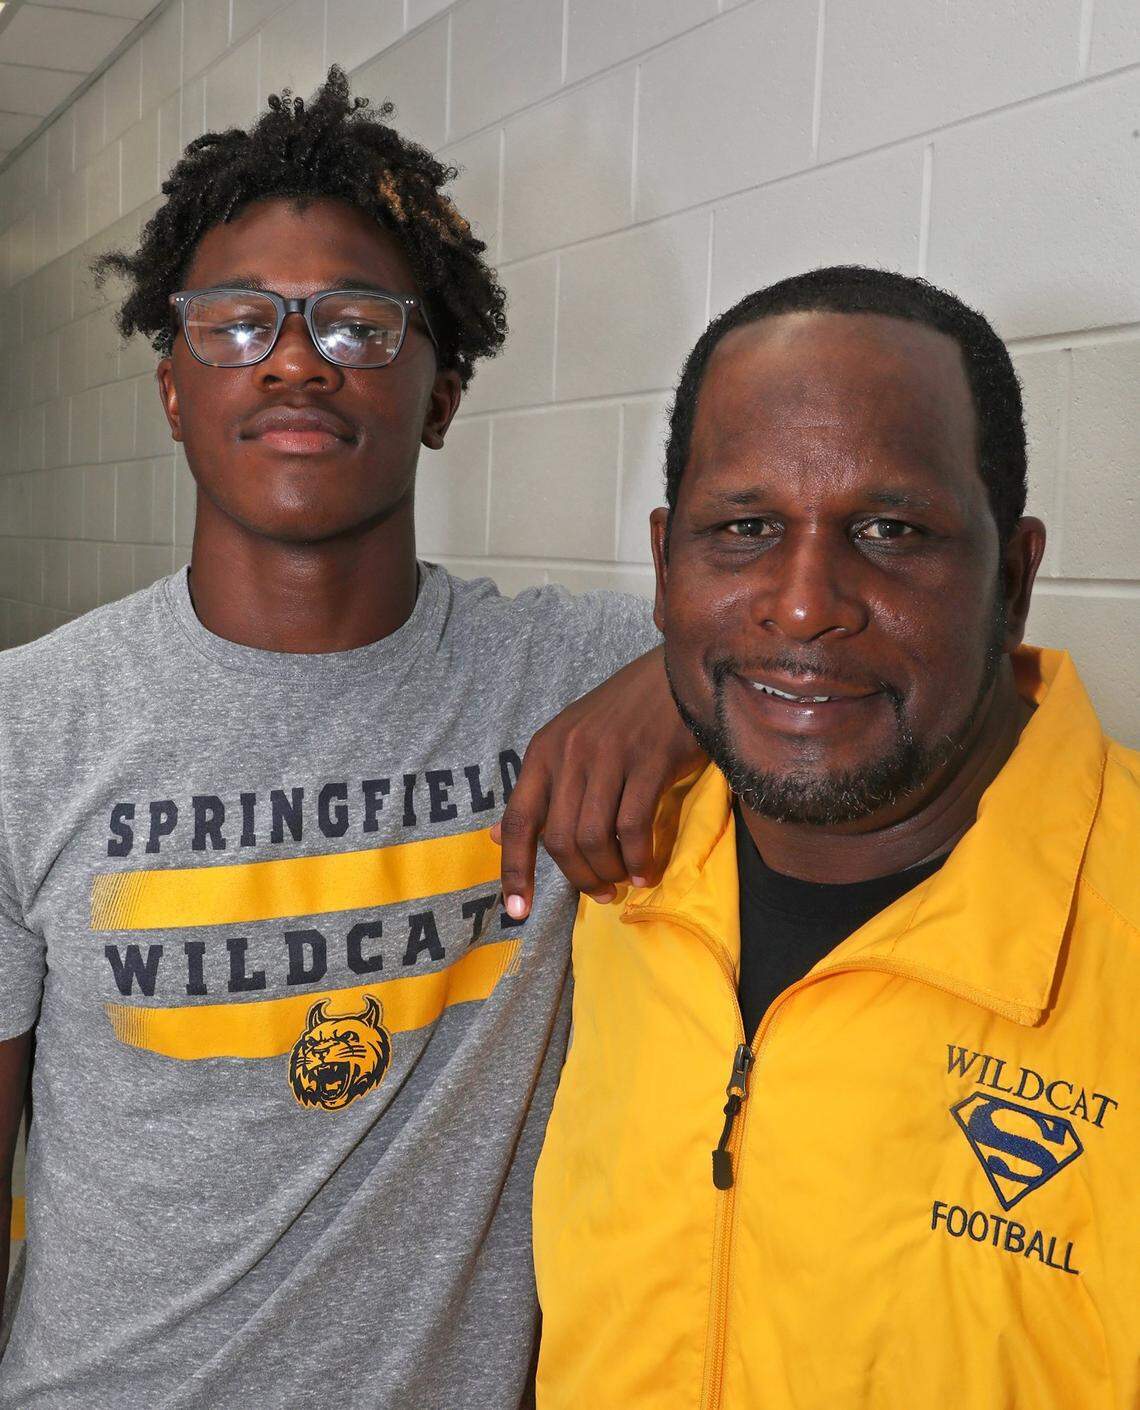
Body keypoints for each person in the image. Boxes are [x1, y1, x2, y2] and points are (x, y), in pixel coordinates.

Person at [0, 70, 699, 1408]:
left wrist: (677, 683)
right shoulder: (28, 727)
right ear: (171, 389)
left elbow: (831, 662)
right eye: (238, 320)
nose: (297, 355)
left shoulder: (562, 674)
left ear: (440, 394)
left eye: (360, 323)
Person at [532, 266, 1140, 1409]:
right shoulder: (610, 866)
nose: (805, 601)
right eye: (746, 528)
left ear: (1011, 578)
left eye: (890, 529)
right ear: (667, 567)